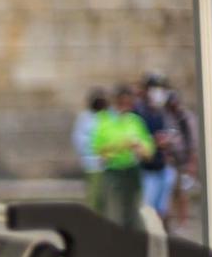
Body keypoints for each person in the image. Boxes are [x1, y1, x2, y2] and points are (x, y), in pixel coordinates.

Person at [91, 85, 155, 230]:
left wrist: (142, 148)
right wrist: (121, 145)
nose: (126, 107)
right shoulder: (104, 120)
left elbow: (148, 147)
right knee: (114, 215)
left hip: (132, 171)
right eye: (123, 103)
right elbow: (97, 148)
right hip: (113, 172)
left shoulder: (135, 121)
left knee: (134, 214)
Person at [135, 73, 176, 224]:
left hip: (163, 166)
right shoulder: (139, 111)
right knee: (147, 210)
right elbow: (136, 139)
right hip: (147, 169)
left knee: (162, 210)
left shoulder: (164, 111)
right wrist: (153, 142)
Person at [162, 90, 199, 230]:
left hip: (182, 160)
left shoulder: (186, 118)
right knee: (168, 192)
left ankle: (183, 221)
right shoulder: (165, 116)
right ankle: (168, 221)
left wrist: (192, 164)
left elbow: (193, 143)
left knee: (182, 193)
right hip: (168, 160)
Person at [72, 87, 108, 212]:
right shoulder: (84, 117)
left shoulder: (108, 117)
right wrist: (96, 151)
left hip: (108, 162)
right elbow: (79, 139)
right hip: (92, 162)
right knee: (94, 195)